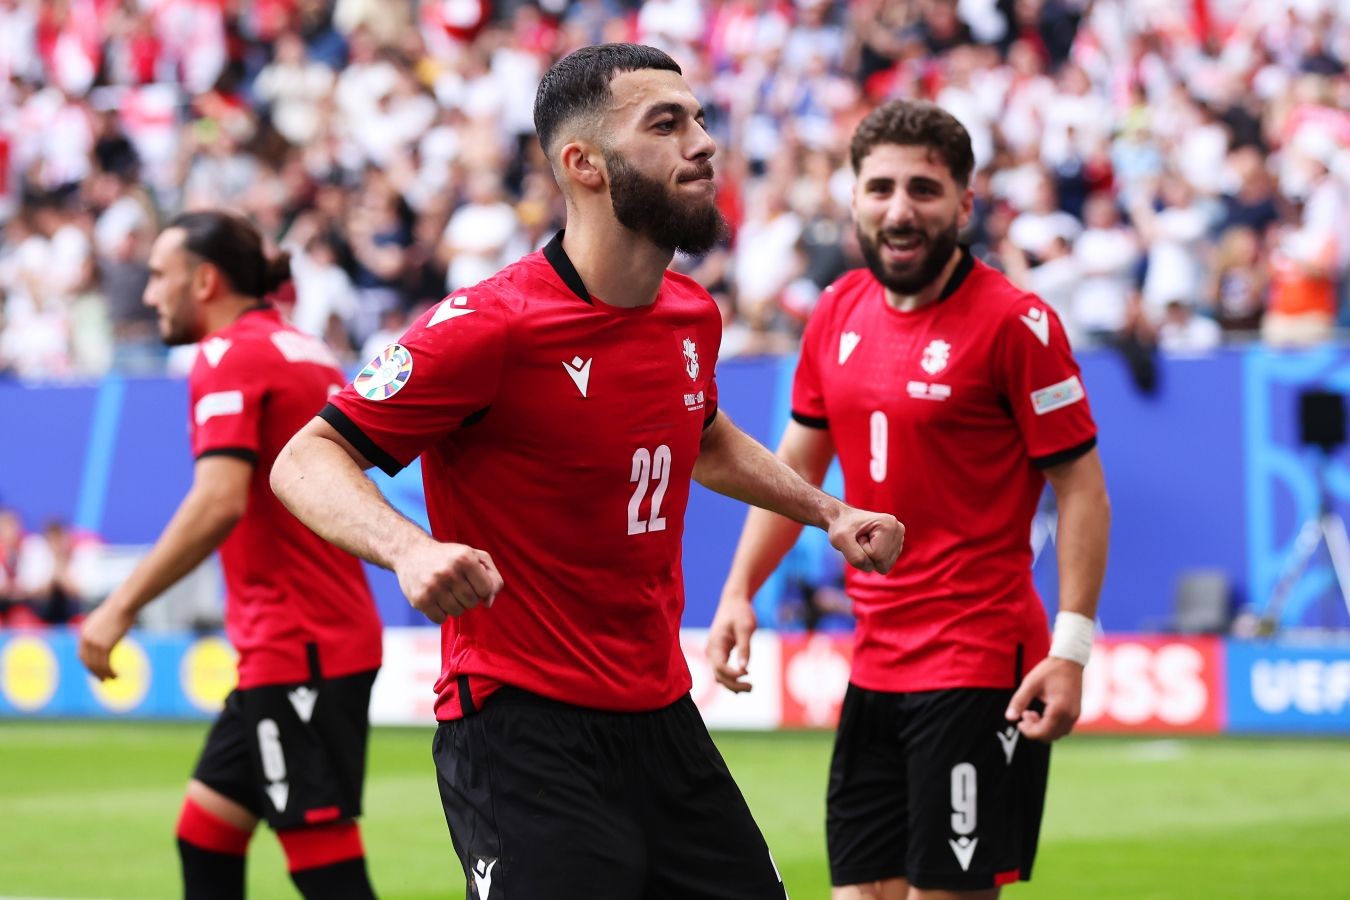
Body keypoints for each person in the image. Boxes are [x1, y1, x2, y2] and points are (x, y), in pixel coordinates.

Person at [269, 43, 904, 900]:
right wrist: (409, 549)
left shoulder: (690, 313)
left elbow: (704, 435)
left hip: (662, 719)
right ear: (584, 164)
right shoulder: (487, 326)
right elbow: (305, 458)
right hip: (521, 731)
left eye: (700, 119)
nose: (703, 143)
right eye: (665, 124)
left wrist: (828, 512)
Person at [707, 100, 1111, 900]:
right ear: (854, 198)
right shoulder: (836, 310)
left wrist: (1071, 650)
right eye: (881, 188)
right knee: (859, 895)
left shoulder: (1017, 324)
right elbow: (796, 465)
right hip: (876, 661)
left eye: (924, 189)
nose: (899, 210)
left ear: (964, 204)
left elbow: (1083, 491)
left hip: (979, 660)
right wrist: (738, 590)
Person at [77, 211, 384, 900]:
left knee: (323, 861)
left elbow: (219, 502)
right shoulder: (304, 348)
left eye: (159, 275)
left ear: (205, 281)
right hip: (320, 631)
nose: (149, 294)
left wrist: (118, 607)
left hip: (298, 642)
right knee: (206, 834)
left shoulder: (228, 355)